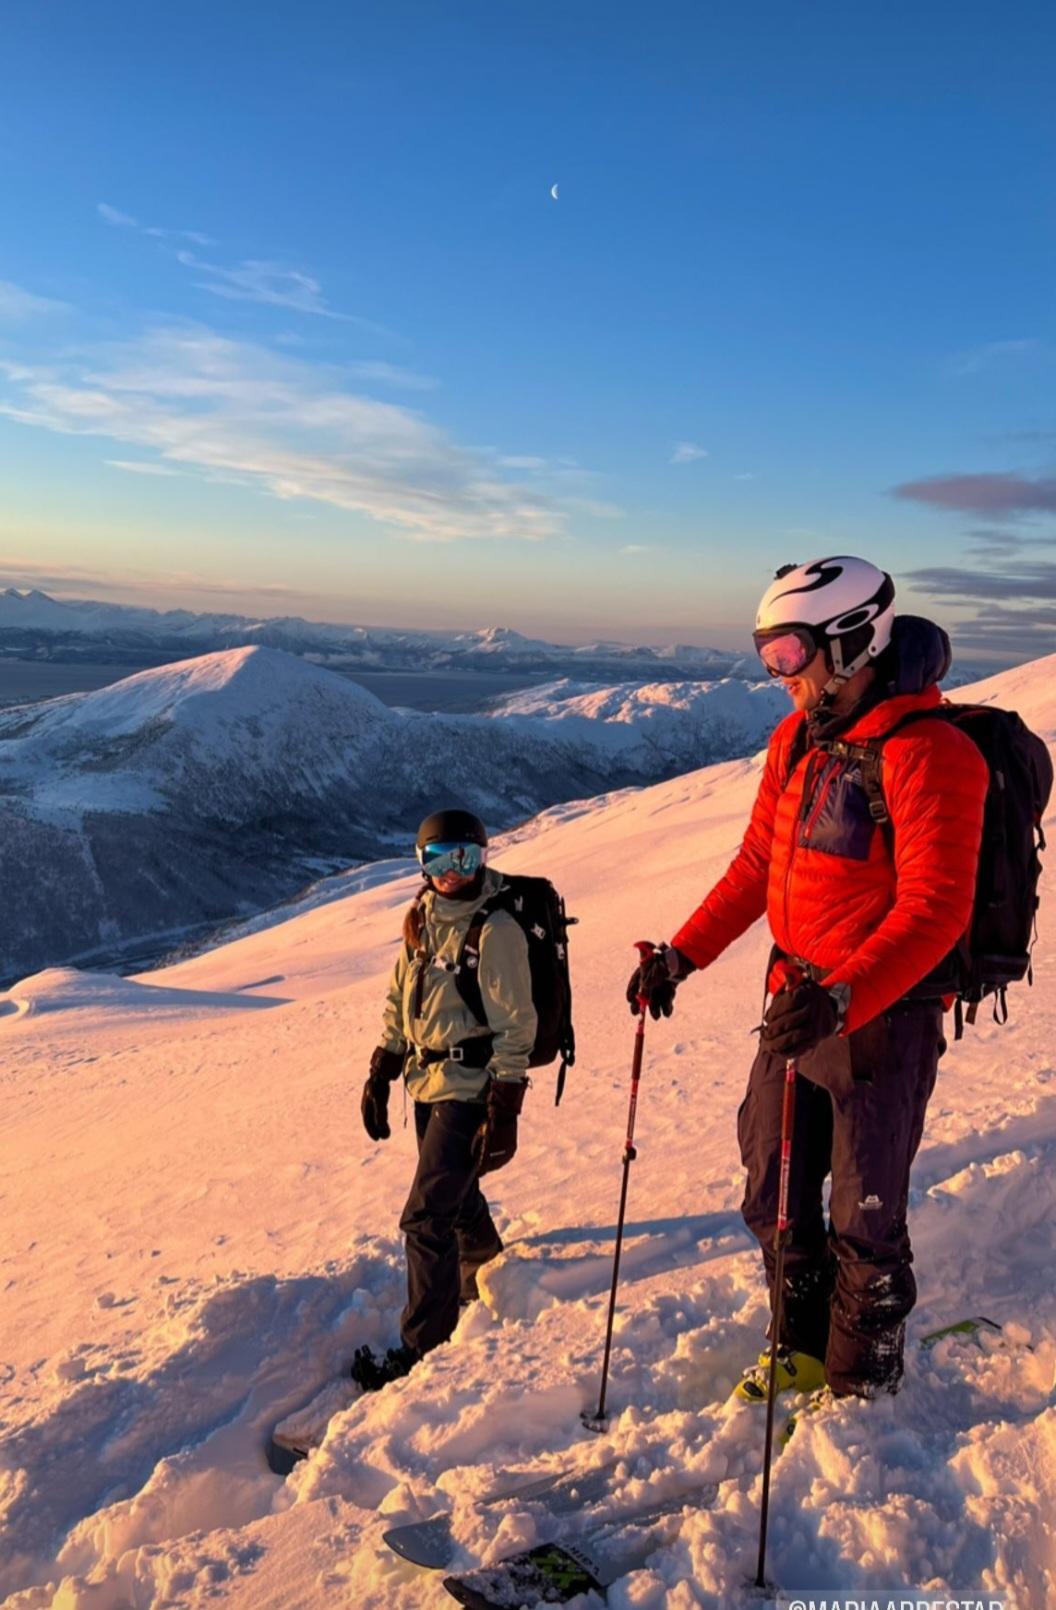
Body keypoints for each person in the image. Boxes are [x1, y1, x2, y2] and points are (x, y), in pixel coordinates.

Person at [627, 556, 989, 1405]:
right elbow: (760, 865)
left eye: (790, 653)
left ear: (855, 641)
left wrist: (841, 999)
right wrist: (683, 954)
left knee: (864, 1214)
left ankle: (862, 1385)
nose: (775, 676)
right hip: (797, 1007)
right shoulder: (796, 742)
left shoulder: (933, 754)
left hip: (876, 1020)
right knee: (774, 1192)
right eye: (767, 653)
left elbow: (936, 909)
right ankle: (797, 1346)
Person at [354, 808, 534, 1389]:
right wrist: (383, 1067)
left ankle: (422, 1352)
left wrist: (504, 1107)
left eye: (466, 859)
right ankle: (487, 1267)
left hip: (470, 1088)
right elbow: (398, 1001)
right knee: (454, 1191)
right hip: (427, 1081)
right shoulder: (423, 918)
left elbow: (516, 1026)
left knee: (426, 1218)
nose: (453, 873)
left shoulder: (496, 930)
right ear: (422, 863)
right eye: (440, 859)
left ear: (482, 859)